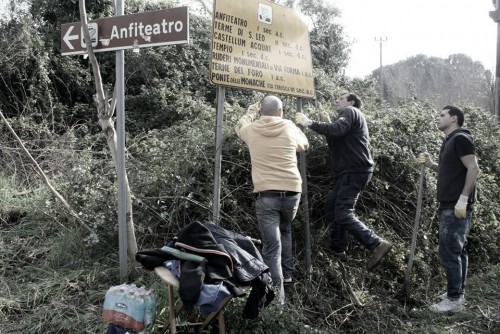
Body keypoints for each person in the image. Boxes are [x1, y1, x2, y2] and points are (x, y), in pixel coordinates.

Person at [295, 93, 392, 270]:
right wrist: (329, 123)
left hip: (355, 170)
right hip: (348, 172)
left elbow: (337, 130)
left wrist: (309, 122)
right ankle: (338, 249)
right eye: (336, 98)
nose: (336, 100)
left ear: (352, 101)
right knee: (332, 206)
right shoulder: (346, 116)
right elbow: (337, 137)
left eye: (341, 98)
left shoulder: (351, 111)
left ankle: (377, 244)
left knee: (343, 212)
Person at [235, 95, 309, 304]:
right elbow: (304, 145)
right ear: (281, 111)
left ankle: (278, 301)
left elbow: (239, 126)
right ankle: (287, 274)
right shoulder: (288, 127)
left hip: (266, 195)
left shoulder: (251, 130)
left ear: (260, 111)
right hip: (292, 192)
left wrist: (250, 112)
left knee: (271, 247)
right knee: (285, 230)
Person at [418, 106, 479, 313]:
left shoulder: (460, 138)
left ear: (454, 118)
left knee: (449, 252)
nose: (437, 117)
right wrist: (432, 164)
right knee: (458, 250)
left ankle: (454, 301)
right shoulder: (450, 140)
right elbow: (452, 170)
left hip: (456, 205)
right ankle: (457, 293)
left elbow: (473, 168)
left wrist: (462, 200)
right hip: (451, 203)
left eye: (442, 115)